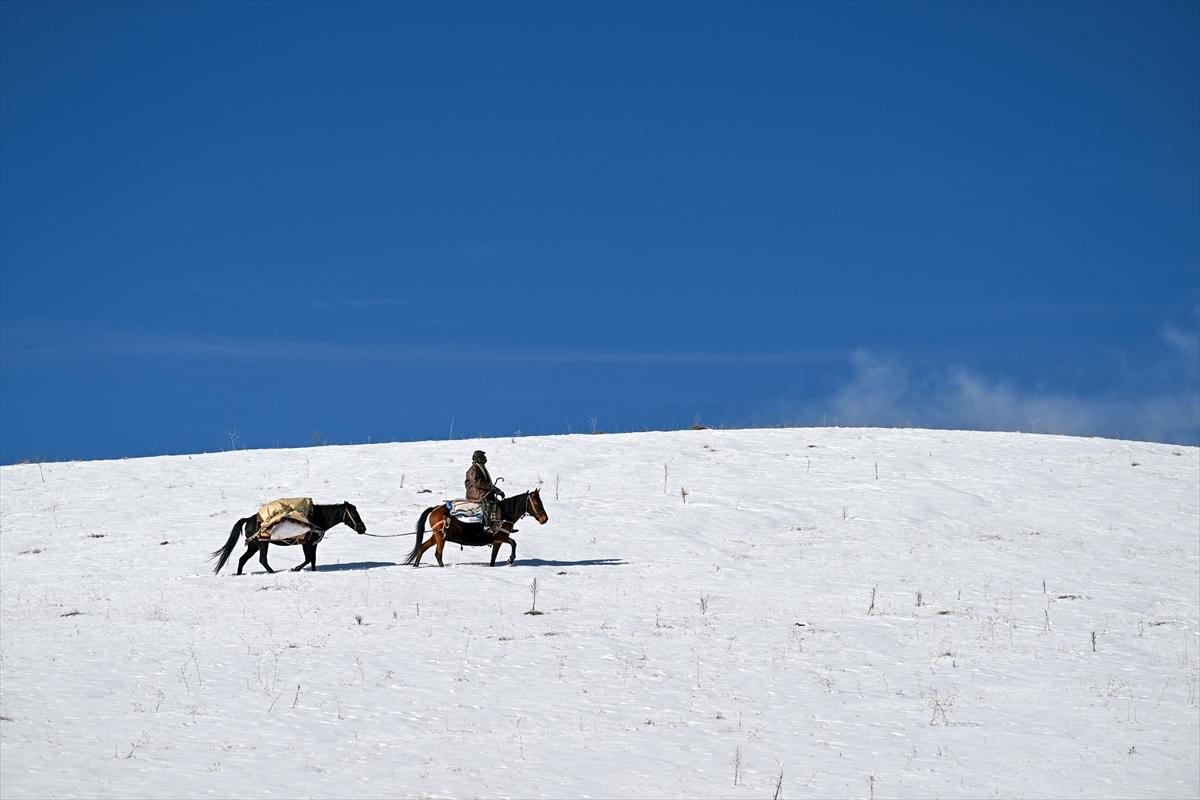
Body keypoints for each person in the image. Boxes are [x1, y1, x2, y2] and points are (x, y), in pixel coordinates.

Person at [465, 450, 504, 534]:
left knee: (498, 505)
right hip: (476, 495)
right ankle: (486, 527)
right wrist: (491, 487)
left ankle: (499, 526)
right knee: (487, 506)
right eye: (483, 457)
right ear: (478, 458)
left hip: (484, 494)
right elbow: (477, 483)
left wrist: (496, 490)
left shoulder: (481, 467)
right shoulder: (473, 469)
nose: (485, 458)